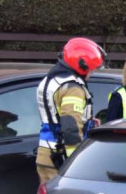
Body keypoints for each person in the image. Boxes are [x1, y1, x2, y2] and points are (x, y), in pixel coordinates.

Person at [36, 37, 106, 185]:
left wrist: (88, 121)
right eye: (91, 70)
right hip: (60, 159)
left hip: (46, 154)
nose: (91, 74)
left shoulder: (52, 79)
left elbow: (56, 116)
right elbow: (70, 127)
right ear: (81, 65)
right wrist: (75, 162)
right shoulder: (73, 88)